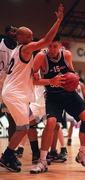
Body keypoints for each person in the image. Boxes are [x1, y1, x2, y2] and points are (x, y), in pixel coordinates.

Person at [0, 3, 64, 173]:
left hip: (16, 93)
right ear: (24, 38)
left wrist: (51, 81)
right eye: (30, 36)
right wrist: (58, 21)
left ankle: (19, 153)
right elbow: (47, 41)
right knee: (23, 128)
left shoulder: (19, 51)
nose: (33, 38)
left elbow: (34, 81)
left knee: (29, 122)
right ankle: (7, 155)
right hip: (14, 94)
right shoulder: (26, 49)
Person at [30, 34, 85, 174]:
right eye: (50, 46)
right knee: (51, 123)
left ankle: (82, 154)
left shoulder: (67, 55)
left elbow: (72, 72)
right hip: (53, 95)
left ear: (60, 45)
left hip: (69, 94)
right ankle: (42, 161)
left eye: (55, 46)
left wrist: (74, 77)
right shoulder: (41, 57)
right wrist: (50, 81)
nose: (52, 49)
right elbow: (33, 81)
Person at [0, 25, 17, 141]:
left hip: (9, 85)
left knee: (12, 118)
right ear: (7, 32)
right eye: (13, 30)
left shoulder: (18, 48)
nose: (15, 32)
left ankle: (10, 152)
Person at [67, 81, 85, 146]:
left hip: (80, 106)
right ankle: (69, 139)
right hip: (72, 105)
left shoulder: (81, 84)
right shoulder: (68, 82)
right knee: (72, 123)